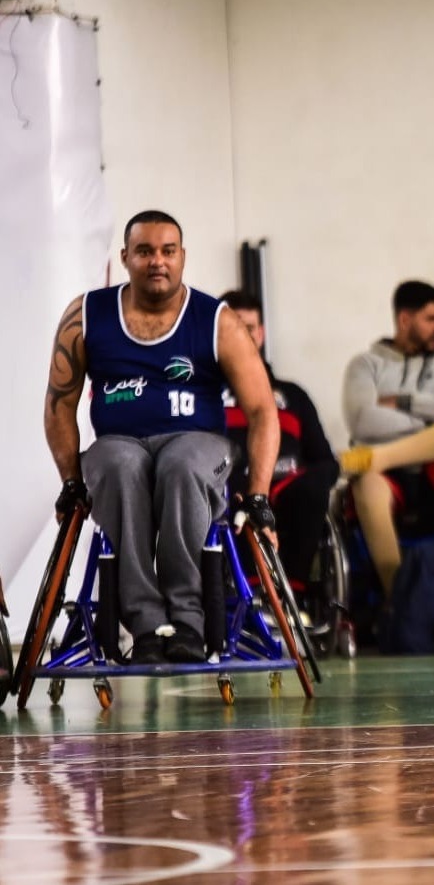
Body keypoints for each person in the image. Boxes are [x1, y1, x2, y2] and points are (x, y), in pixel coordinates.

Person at [42, 210, 279, 665]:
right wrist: (71, 481)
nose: (157, 261)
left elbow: (262, 410)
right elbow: (58, 405)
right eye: (145, 251)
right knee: (117, 465)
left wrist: (258, 494)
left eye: (168, 251)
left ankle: (187, 621)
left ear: (182, 256)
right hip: (120, 442)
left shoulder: (217, 320)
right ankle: (147, 624)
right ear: (125, 257)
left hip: (197, 441)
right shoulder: (86, 314)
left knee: (181, 466)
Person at [340, 280, 434, 594]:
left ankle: (378, 458)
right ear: (405, 320)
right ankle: (398, 597)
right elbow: (363, 420)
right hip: (388, 477)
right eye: (431, 319)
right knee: (367, 486)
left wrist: (403, 402)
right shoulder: (365, 365)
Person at [219, 291, 340, 596]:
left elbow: (326, 462)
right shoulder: (206, 396)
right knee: (231, 492)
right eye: (235, 328)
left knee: (314, 486)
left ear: (261, 333)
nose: (244, 336)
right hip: (229, 492)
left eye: (250, 328)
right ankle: (252, 595)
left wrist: (307, 480)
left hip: (287, 490)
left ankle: (292, 596)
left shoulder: (294, 396)